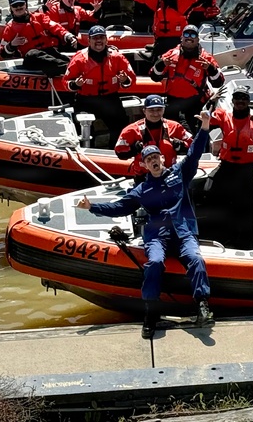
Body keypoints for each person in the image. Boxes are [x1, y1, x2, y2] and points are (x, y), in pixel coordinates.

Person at [77, 110, 214, 339]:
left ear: (162, 159)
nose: (154, 162)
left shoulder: (180, 173)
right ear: (144, 165)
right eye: (149, 160)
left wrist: (205, 128)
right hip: (158, 236)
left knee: (196, 259)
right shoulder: (141, 190)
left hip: (183, 233)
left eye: (156, 158)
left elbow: (195, 152)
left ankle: (202, 305)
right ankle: (151, 313)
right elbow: (119, 207)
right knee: (155, 263)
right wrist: (92, 207)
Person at [206, 87, 253, 246]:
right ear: (232, 101)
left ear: (249, 101)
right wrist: (211, 101)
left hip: (248, 169)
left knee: (244, 206)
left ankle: (243, 240)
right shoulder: (223, 115)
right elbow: (205, 119)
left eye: (243, 98)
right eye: (237, 98)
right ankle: (219, 236)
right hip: (227, 167)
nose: (240, 101)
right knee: (215, 198)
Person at [64, 26, 137, 141]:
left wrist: (124, 80)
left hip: (110, 99)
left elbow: (132, 79)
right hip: (86, 100)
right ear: (89, 41)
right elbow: (66, 81)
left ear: (106, 40)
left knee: (121, 124)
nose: (99, 40)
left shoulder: (117, 57)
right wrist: (75, 84)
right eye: (95, 38)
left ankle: (115, 152)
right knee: (80, 128)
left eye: (101, 37)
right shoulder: (79, 59)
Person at [150, 25, 224, 132]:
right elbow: (154, 77)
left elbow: (218, 83)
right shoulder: (171, 54)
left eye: (193, 35)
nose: (189, 37)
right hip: (173, 102)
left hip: (194, 103)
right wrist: (161, 64)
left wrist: (210, 68)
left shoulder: (206, 58)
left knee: (194, 132)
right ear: (181, 38)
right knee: (170, 132)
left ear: (198, 39)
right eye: (186, 34)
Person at [127, 0, 206, 60]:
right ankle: (155, 53)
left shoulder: (182, 0)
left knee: (167, 51)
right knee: (158, 59)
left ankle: (157, 54)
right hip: (160, 41)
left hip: (179, 41)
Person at [114, 94, 192, 180]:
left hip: (170, 175)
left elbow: (193, 146)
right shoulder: (131, 130)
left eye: (159, 109)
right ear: (144, 111)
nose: (155, 113)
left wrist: (179, 145)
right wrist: (134, 149)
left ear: (164, 110)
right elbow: (120, 153)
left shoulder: (175, 126)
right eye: (151, 110)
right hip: (144, 177)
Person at [0, 0, 78, 77]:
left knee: (58, 56)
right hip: (31, 59)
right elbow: (3, 52)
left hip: (47, 52)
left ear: (25, 5)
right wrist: (12, 45)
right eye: (15, 6)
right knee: (32, 54)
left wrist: (68, 36)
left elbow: (54, 26)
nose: (18, 7)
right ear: (11, 8)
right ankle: (67, 69)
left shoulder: (39, 17)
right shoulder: (10, 28)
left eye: (21, 4)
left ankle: (74, 68)